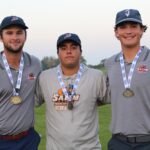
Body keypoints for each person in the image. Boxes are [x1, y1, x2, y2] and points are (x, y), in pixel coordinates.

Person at [36, 33, 107, 150]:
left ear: (81, 51)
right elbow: (31, 101)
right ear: (58, 52)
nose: (69, 51)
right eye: (63, 48)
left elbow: (108, 99)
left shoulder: (96, 76)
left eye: (73, 47)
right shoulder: (45, 77)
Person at [104, 9, 150, 150]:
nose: (128, 31)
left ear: (142, 30)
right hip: (119, 142)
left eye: (134, 26)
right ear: (116, 32)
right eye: (123, 27)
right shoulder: (110, 62)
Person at [0, 16, 41, 150]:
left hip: (28, 140)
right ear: (1, 37)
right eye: (9, 33)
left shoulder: (35, 63)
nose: (15, 37)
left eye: (19, 32)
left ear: (25, 36)